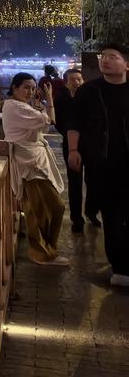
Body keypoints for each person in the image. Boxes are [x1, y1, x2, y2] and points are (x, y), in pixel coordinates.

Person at [68, 42, 129, 287]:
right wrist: (74, 150)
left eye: (113, 56)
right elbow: (75, 124)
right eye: (103, 56)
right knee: (112, 217)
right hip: (101, 165)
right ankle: (121, 268)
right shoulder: (89, 91)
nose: (105, 60)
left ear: (126, 63)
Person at [2, 72, 67, 265]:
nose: (30, 91)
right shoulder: (15, 107)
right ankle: (42, 253)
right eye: (25, 87)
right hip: (30, 164)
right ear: (14, 88)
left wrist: (40, 111)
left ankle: (46, 250)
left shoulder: (20, 106)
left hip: (33, 162)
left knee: (41, 208)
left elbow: (42, 126)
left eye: (32, 88)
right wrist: (49, 100)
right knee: (49, 208)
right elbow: (50, 121)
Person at [53, 67, 99, 232]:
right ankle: (76, 219)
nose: (77, 82)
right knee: (75, 182)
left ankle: (91, 211)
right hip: (71, 145)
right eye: (73, 80)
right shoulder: (61, 99)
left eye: (79, 79)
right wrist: (71, 135)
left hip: (92, 144)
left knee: (93, 180)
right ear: (66, 83)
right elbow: (59, 123)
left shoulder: (90, 97)